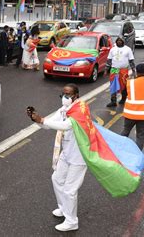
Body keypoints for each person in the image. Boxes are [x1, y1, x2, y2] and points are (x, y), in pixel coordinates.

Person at [28, 83, 86, 232]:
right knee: (56, 179)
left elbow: (66, 126)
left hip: (79, 156)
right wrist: (37, 120)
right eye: (63, 95)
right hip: (66, 153)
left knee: (70, 190)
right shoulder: (63, 110)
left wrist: (43, 120)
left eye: (68, 95)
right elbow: (49, 125)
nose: (64, 98)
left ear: (76, 96)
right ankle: (64, 208)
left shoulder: (81, 109)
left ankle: (72, 221)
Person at [104, 37, 136, 107]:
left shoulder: (128, 49)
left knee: (124, 85)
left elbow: (131, 61)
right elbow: (109, 60)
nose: (119, 42)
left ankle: (123, 99)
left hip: (123, 70)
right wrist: (106, 70)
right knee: (113, 86)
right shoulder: (113, 49)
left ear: (123, 41)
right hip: (114, 70)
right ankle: (113, 101)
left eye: (120, 40)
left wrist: (134, 71)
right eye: (118, 40)